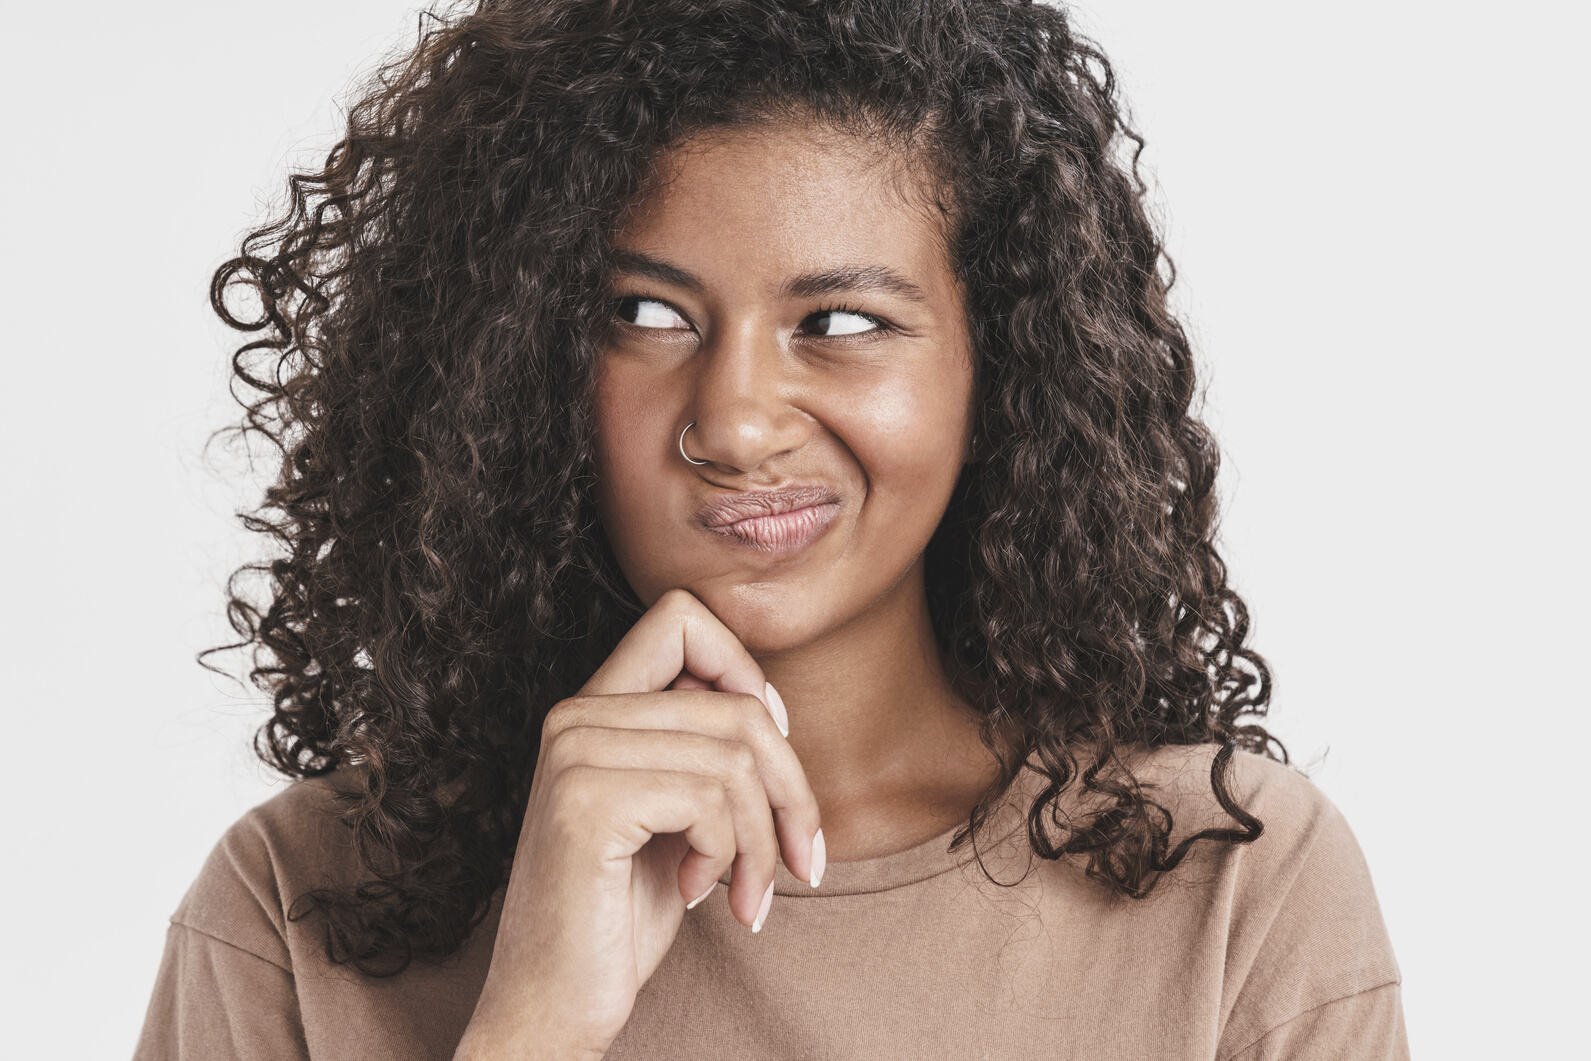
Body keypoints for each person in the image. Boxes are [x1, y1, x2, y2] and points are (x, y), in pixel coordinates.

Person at [135, 1, 1406, 1058]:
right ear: (514, 363)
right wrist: (526, 1023)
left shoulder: (1231, 882)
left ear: (1001, 369)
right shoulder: (298, 905)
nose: (737, 423)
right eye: (644, 313)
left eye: (841, 323)